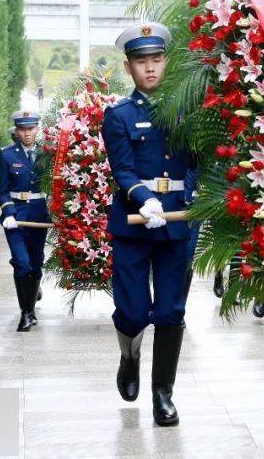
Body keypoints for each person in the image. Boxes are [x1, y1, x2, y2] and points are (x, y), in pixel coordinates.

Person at [102, 22, 197, 427]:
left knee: (172, 310)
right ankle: (129, 355)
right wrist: (145, 198)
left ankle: (163, 393)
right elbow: (122, 169)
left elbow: (198, 162)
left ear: (166, 61)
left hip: (178, 223)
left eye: (157, 59)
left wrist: (189, 197)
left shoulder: (188, 110)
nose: (151, 68)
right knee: (133, 310)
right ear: (130, 68)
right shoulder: (119, 115)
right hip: (134, 224)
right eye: (142, 62)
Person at [0, 109, 51, 332]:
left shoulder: (47, 153)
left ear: (37, 129)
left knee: (36, 262)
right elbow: (2, 191)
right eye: (22, 129)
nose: (27, 134)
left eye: (30, 129)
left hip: (39, 214)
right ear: (16, 130)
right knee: (21, 262)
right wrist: (8, 212)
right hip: (16, 216)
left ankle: (31, 301)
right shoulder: (7, 154)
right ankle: (26, 313)